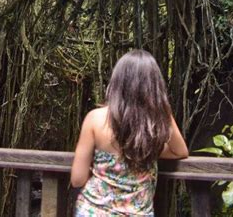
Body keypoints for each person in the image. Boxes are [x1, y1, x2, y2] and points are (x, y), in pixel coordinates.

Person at [71, 50, 188, 215]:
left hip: (93, 211)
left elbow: (77, 179)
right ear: (154, 86)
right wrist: (162, 112)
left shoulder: (94, 119)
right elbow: (180, 151)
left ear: (117, 82)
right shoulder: (153, 124)